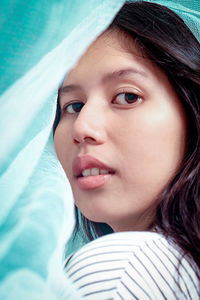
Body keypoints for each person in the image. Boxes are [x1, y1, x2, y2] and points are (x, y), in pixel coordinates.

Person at [53, 1, 200, 298]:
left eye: (128, 97)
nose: (82, 127)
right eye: (73, 106)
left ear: (192, 115)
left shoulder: (119, 268)